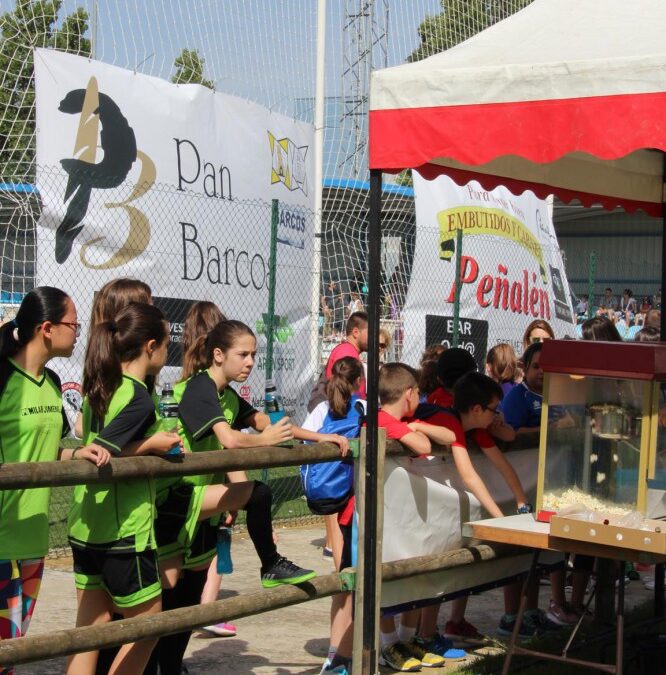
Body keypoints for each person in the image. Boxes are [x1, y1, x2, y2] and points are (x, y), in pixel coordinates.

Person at [155, 320, 317, 602]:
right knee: (165, 596)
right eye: (243, 355)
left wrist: (323, 437)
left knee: (187, 600)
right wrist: (265, 440)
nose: (251, 362)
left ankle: (270, 564)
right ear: (218, 355)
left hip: (200, 500)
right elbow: (229, 439)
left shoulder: (226, 395)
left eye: (254, 355)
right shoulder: (199, 388)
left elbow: (267, 422)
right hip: (174, 498)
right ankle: (270, 564)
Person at [66, 303, 183, 675]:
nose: (168, 352)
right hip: (122, 533)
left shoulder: (99, 386)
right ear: (151, 346)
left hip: (84, 527)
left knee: (90, 630)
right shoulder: (137, 396)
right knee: (150, 627)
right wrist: (151, 445)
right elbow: (101, 451)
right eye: (166, 343)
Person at [0, 288, 108, 673]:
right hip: (0, 542)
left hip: (32, 541)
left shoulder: (52, 381)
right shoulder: (2, 379)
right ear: (46, 328)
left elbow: (46, 452)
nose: (77, 332)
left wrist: (76, 453)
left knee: (12, 645)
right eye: (71, 325)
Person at [376, 363, 456, 672]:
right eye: (418, 393)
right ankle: (389, 644)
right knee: (388, 571)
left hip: (406, 515)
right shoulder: (382, 419)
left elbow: (448, 435)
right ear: (409, 394)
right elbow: (423, 446)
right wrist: (416, 431)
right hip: (385, 516)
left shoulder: (408, 419)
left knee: (415, 568)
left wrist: (417, 425)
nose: (420, 398)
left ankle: (408, 639)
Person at [303, 356, 365, 675]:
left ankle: (334, 652)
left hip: (327, 496)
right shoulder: (361, 408)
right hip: (350, 497)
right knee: (349, 576)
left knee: (344, 576)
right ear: (359, 383)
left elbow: (301, 436)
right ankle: (339, 656)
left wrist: (323, 439)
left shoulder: (321, 408)